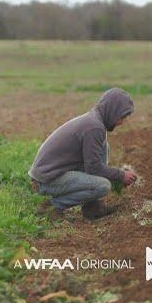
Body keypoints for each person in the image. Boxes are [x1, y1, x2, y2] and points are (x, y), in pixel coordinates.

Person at [28, 87, 138, 221]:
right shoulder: (94, 127)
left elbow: (93, 164)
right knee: (103, 186)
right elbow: (94, 168)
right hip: (46, 180)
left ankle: (92, 206)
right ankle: (52, 207)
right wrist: (120, 175)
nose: (121, 122)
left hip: (54, 173)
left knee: (104, 147)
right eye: (121, 117)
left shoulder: (94, 120)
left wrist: (116, 175)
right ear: (112, 111)